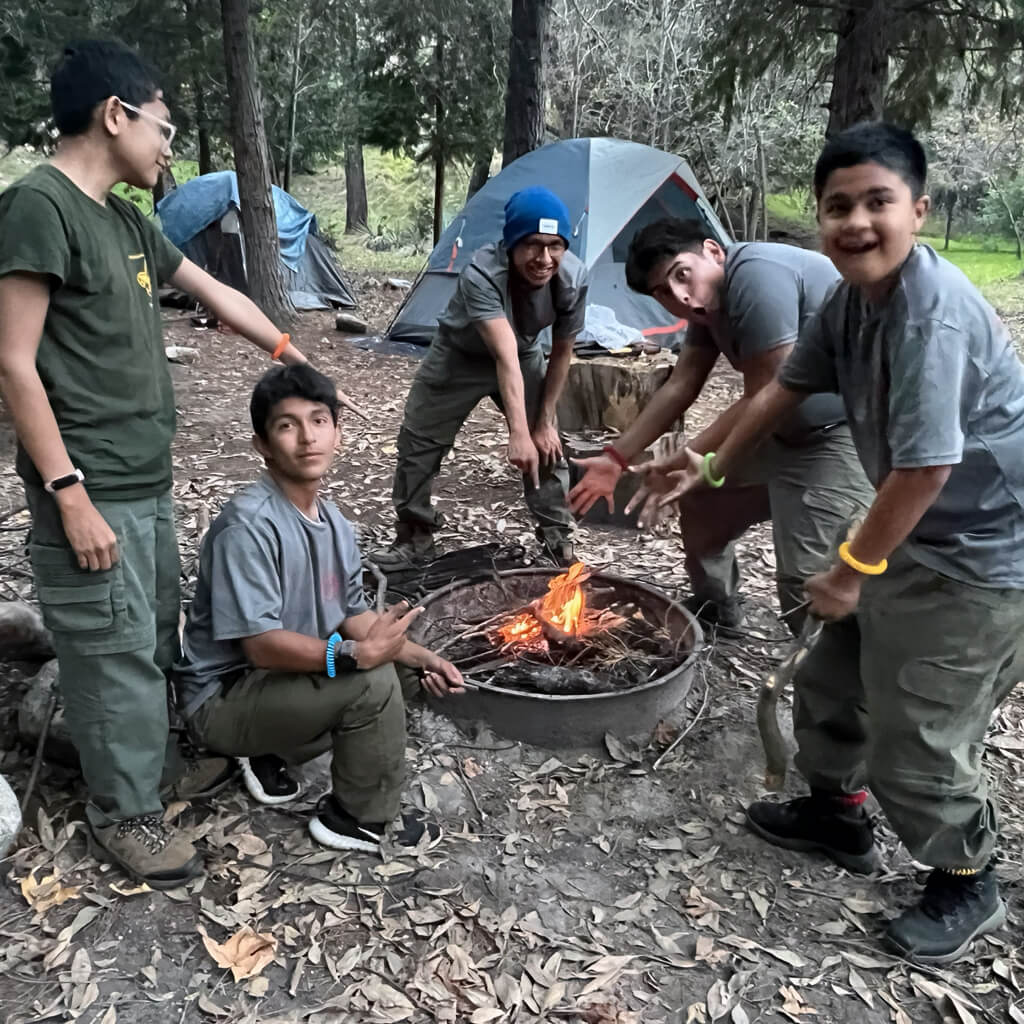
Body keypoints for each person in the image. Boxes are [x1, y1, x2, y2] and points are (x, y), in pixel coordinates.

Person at [635, 122, 1024, 965]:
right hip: (911, 525)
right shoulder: (853, 303)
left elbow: (925, 468)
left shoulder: (932, 316)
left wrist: (851, 570)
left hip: (985, 554)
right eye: (838, 205)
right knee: (829, 664)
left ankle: (966, 880)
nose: (855, 222)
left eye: (877, 202)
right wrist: (705, 463)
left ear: (917, 210)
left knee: (919, 724)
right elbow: (782, 394)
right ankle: (834, 812)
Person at [0, 41, 322, 889]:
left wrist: (291, 355)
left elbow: (216, 293)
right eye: (164, 127)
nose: (168, 147)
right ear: (116, 115)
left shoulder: (126, 218)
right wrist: (67, 493)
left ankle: (150, 770)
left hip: (145, 483)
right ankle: (125, 812)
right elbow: (14, 362)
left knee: (148, 640)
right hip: (90, 486)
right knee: (108, 658)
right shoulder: (39, 207)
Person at [174, 364, 465, 851]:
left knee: (404, 672)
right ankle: (359, 819)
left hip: (275, 685)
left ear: (337, 431)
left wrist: (420, 655)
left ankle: (270, 750)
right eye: (287, 426)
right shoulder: (249, 526)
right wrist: (353, 656)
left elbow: (352, 611)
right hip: (224, 697)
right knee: (370, 680)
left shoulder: (334, 524)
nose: (307, 438)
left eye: (319, 421)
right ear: (262, 446)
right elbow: (261, 646)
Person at [569, 218, 873, 632]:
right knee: (700, 500)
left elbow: (765, 393)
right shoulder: (707, 305)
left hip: (838, 436)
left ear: (712, 251)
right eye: (663, 291)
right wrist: (615, 457)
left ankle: (834, 683)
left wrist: (684, 456)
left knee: (806, 582)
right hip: (775, 434)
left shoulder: (756, 276)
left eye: (682, 274)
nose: (680, 296)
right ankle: (716, 609)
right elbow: (681, 384)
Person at [373, 187, 589, 571]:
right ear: (511, 244)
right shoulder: (483, 273)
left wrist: (541, 424)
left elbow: (561, 352)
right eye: (533, 246)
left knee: (548, 447)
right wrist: (518, 433)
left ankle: (558, 541)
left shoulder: (572, 279)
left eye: (555, 246)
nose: (544, 259)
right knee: (419, 442)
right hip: (460, 356)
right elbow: (500, 353)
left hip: (524, 353)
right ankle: (415, 535)